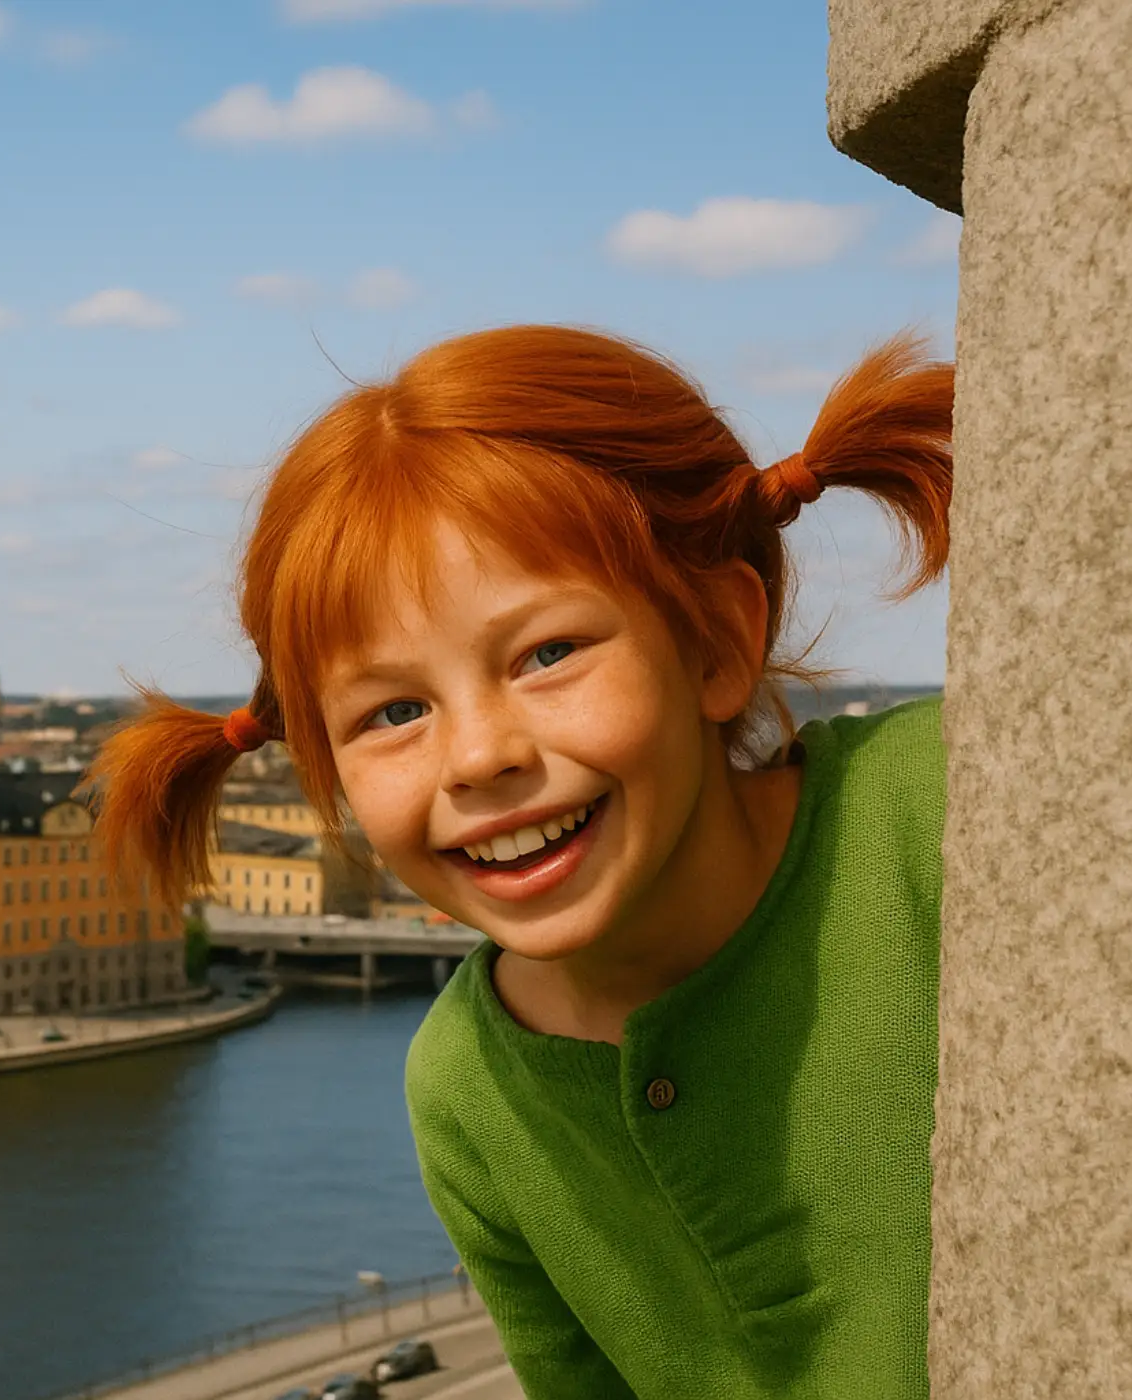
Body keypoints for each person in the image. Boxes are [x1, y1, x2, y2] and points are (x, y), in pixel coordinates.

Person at [79, 326, 951, 1399]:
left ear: (717, 640)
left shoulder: (944, 804)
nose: (480, 756)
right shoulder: (465, 1088)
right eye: (394, 710)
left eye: (548, 653)